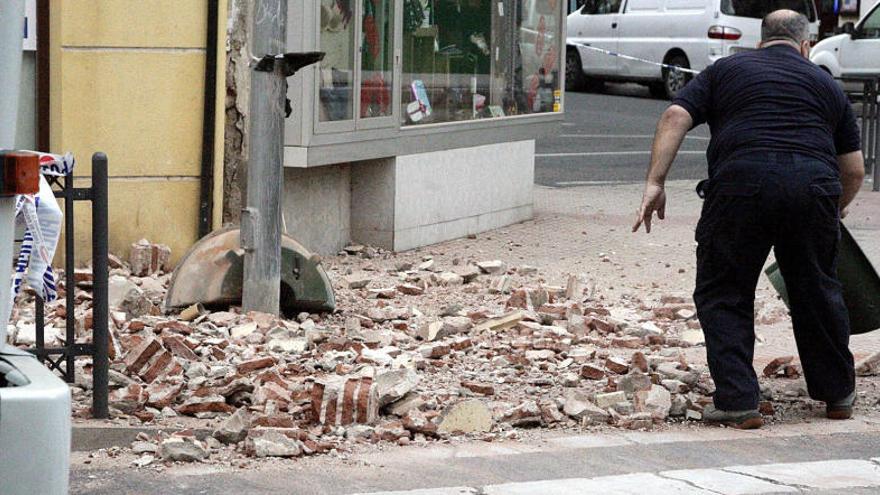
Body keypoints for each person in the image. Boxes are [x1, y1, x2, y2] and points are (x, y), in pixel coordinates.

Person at [632, 9, 865, 429]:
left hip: (740, 187)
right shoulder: (826, 84)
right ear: (806, 45)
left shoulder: (725, 69)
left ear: (760, 42)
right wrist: (832, 210)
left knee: (724, 290)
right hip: (812, 189)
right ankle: (837, 394)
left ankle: (738, 399)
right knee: (817, 289)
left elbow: (674, 116)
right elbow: (853, 171)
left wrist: (655, 182)